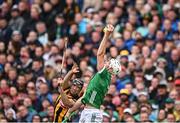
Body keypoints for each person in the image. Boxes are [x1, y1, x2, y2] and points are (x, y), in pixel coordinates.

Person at [65, 24, 121, 122]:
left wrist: (106, 35)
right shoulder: (102, 78)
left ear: (111, 69)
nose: (106, 62)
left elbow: (100, 54)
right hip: (87, 112)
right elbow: (84, 98)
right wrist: (70, 111)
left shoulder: (104, 75)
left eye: (109, 63)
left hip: (92, 114)